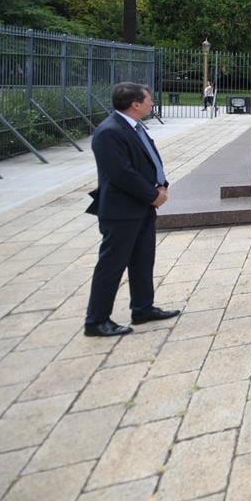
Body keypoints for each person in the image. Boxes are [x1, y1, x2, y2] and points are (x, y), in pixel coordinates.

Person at [83, 82, 180, 337]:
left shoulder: (134, 127)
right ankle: (96, 321)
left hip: (141, 208)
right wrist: (152, 195)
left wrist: (162, 185)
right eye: (148, 99)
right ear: (135, 104)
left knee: (142, 260)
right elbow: (120, 174)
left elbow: (148, 160)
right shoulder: (109, 132)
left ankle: (142, 308)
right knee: (112, 265)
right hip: (122, 211)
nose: (152, 103)